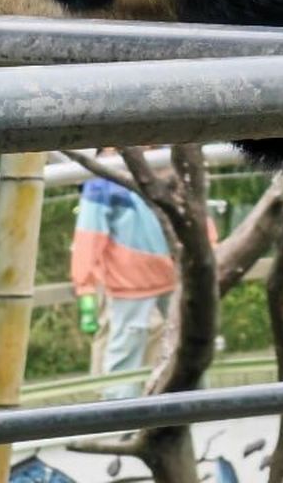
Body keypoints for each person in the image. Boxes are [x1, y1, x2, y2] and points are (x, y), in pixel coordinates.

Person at [70, 163, 178, 399]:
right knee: (126, 352)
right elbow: (89, 237)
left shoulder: (166, 165)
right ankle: (118, 419)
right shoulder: (103, 182)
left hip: (170, 273)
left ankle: (181, 408)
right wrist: (85, 286)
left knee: (174, 345)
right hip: (129, 281)